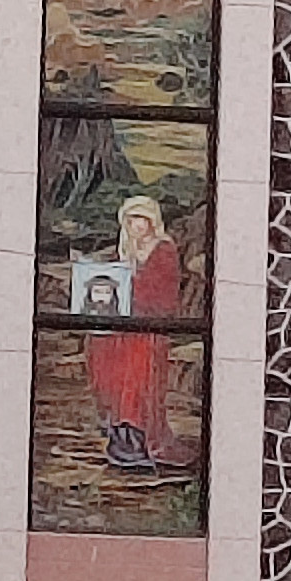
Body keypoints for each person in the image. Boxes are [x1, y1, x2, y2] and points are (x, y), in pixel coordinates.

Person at [86, 194, 190, 470]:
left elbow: (163, 293)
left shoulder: (163, 251)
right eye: (131, 220)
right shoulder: (121, 251)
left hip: (146, 332)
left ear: (152, 221)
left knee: (137, 382)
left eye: (141, 220)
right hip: (121, 332)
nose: (136, 226)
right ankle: (118, 435)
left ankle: (137, 440)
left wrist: (129, 285)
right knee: (114, 377)